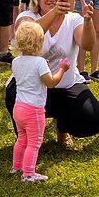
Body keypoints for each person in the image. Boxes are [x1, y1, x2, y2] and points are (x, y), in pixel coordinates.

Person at [5, 0, 99, 146]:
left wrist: (88, 22)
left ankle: (62, 127)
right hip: (29, 88)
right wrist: (54, 13)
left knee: (92, 121)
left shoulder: (73, 19)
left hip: (65, 85)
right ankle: (29, 132)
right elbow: (28, 35)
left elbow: (87, 45)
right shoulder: (27, 17)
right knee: (27, 137)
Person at [10, 20, 70, 182]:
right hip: (33, 110)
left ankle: (16, 166)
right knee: (34, 143)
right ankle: (28, 173)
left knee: (21, 138)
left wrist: (43, 66)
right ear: (39, 44)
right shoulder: (40, 63)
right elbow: (50, 82)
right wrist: (62, 69)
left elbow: (29, 74)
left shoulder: (16, 62)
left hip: (19, 108)